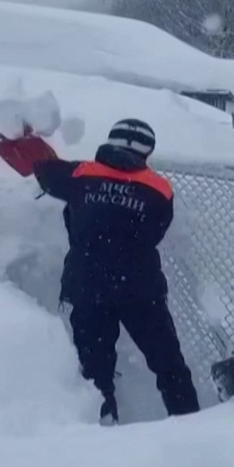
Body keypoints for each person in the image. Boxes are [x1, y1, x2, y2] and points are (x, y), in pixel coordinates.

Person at [32, 119, 199, 425]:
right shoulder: (160, 189)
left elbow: (41, 169)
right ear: (147, 152)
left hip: (87, 285)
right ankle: (191, 425)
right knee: (169, 365)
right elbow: (156, 231)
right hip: (140, 289)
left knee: (96, 371)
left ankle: (103, 433)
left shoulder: (79, 173)